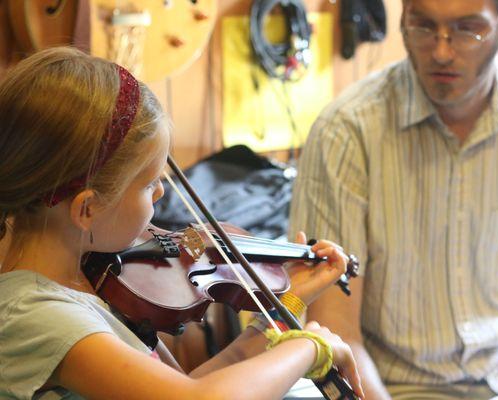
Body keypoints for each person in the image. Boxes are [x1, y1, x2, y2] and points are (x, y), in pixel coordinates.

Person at [0, 47, 365, 400]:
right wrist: (308, 348)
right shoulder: (35, 316)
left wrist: (286, 302)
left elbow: (190, 385)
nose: (160, 192)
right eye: (148, 184)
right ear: (87, 209)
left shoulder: (92, 284)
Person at [289, 0, 498, 398]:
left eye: (468, 29)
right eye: (423, 27)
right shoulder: (346, 133)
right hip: (405, 384)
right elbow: (336, 333)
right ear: (402, 18)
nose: (441, 51)